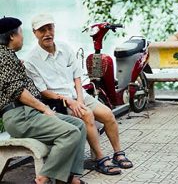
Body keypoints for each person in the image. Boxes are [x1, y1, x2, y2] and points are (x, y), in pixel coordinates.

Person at [25, 13, 133, 176]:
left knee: (108, 114)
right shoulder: (31, 60)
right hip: (58, 101)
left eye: (50, 28)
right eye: (42, 30)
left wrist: (80, 99)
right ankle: (99, 158)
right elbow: (43, 91)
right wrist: (69, 101)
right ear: (35, 33)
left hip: (78, 94)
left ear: (54, 28)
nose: (47, 33)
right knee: (87, 115)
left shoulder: (65, 48)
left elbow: (77, 76)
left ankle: (118, 152)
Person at [0, 16, 87, 184]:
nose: (22, 37)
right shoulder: (3, 57)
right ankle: (42, 178)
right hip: (19, 115)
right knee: (70, 132)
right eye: (20, 33)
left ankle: (69, 177)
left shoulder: (9, 56)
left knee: (79, 125)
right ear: (12, 36)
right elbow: (19, 92)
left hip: (27, 113)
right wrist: (45, 109)